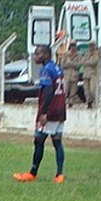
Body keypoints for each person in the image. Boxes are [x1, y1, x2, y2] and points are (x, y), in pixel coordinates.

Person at [14, 45, 67, 184]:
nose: (35, 56)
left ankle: (32, 173)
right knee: (57, 141)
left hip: (50, 111)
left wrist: (44, 113)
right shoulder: (57, 68)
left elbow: (49, 91)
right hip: (60, 110)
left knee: (38, 140)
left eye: (37, 54)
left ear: (46, 55)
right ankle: (59, 174)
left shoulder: (46, 70)